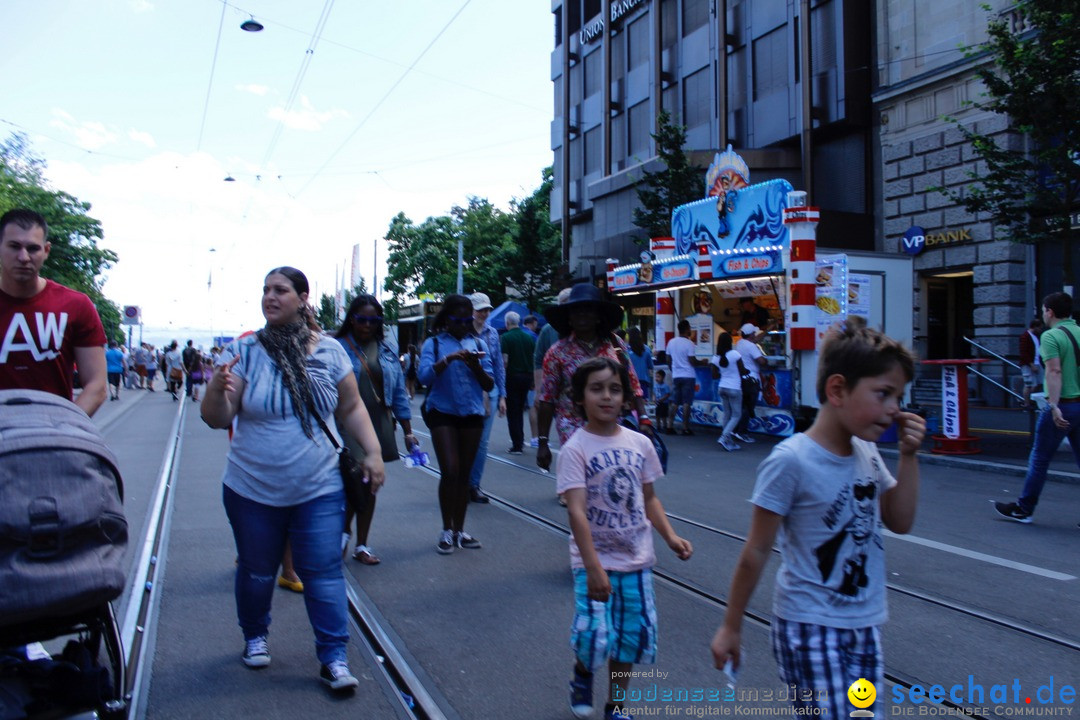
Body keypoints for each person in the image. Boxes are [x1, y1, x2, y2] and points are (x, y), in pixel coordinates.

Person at [710, 320, 923, 718]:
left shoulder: (867, 452)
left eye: (898, 396)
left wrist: (909, 457)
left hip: (864, 624)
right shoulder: (792, 460)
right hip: (809, 625)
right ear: (837, 389)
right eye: (884, 394)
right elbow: (755, 550)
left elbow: (900, 520)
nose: (895, 409)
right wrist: (731, 625)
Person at [200, 266, 385, 692]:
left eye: (280, 290)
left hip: (318, 487)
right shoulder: (245, 352)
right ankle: (255, 637)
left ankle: (334, 658)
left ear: (303, 298)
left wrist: (372, 452)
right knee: (257, 571)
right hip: (251, 488)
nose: (270, 296)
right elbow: (218, 418)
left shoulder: (331, 351)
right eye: (265, 289)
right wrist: (216, 389)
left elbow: (351, 408)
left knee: (322, 572)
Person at [559, 357, 693, 720]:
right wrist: (593, 567)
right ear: (579, 399)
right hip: (594, 561)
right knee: (592, 636)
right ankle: (583, 674)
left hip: (636, 558)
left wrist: (670, 536)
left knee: (628, 641)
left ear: (626, 398)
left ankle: (615, 706)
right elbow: (575, 512)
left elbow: (649, 498)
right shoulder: (575, 449)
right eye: (597, 389)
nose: (607, 397)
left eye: (615, 389)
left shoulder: (640, 443)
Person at [536, 283, 652, 476]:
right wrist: (542, 443)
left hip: (613, 426)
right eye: (576, 310)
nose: (582, 314)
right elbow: (547, 399)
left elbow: (632, 383)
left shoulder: (616, 345)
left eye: (588, 309)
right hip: (573, 429)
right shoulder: (557, 352)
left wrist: (644, 418)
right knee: (581, 485)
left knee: (612, 481)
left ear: (598, 316)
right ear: (569, 318)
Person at [0, 208, 107, 416]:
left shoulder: (75, 305)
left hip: (54, 437)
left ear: (46, 251)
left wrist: (67, 427)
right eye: (14, 247)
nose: (23, 257)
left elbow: (97, 385)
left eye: (33, 248)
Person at [335, 293, 415, 565]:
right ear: (351, 319)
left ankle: (362, 544)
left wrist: (408, 430)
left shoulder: (387, 349)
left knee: (370, 485)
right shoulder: (336, 347)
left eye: (373, 320)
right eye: (361, 319)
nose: (367, 325)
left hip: (379, 420)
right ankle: (343, 533)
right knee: (355, 481)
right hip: (346, 423)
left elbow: (400, 394)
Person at [418, 293, 495, 553]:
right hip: (442, 411)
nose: (464, 325)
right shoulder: (434, 344)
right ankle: (446, 529)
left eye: (467, 320)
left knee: (463, 475)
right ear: (446, 319)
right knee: (450, 470)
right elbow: (424, 377)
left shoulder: (478, 343)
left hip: (471, 413)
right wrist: (449, 359)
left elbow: (489, 384)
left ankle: (460, 531)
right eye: (458, 320)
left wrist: (475, 366)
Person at [996, 292, 1080, 524]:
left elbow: (1054, 371)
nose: (1043, 314)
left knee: (1040, 459)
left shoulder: (1051, 336)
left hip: (1063, 405)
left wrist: (1053, 405)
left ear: (1049, 312)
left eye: (1043, 310)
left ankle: (1024, 509)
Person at [467, 292, 506, 503]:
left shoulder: (492, 334)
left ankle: (474, 485)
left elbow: (498, 365)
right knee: (466, 440)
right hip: (468, 391)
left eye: (487, 309)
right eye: (480, 309)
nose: (484, 313)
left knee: (482, 442)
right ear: (471, 311)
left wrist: (502, 396)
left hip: (490, 390)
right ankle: (461, 482)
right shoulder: (463, 333)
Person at [500, 310, 536, 454]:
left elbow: (505, 361)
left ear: (507, 323)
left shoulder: (506, 338)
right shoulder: (528, 338)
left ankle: (517, 444)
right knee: (520, 408)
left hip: (512, 377)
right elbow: (534, 359)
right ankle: (520, 439)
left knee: (513, 411)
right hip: (527, 377)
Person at [664, 319, 704, 435]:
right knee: (687, 402)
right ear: (687, 329)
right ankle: (685, 427)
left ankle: (669, 425)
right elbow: (693, 361)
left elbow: (668, 359)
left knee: (675, 401)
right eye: (690, 328)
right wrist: (703, 362)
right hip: (688, 376)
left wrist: (674, 369)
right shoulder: (689, 343)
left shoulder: (671, 342)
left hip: (677, 375)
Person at [733, 323, 767, 442]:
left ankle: (736, 430)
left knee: (742, 406)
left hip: (742, 378)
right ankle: (742, 432)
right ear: (751, 334)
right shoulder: (751, 346)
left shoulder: (739, 344)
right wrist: (766, 360)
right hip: (752, 379)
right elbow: (761, 361)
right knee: (748, 406)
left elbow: (757, 340)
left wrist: (768, 329)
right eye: (754, 333)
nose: (755, 335)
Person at [710, 332, 743, 451]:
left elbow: (714, 375)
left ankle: (728, 440)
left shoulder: (715, 357)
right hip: (734, 388)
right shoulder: (735, 354)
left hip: (722, 387)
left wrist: (724, 373)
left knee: (727, 414)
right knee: (736, 415)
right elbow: (742, 370)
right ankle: (724, 437)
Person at [1019, 318, 1044, 408]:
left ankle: (1031, 399)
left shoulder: (1036, 336)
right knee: (1028, 384)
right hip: (1028, 364)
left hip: (1037, 362)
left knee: (1040, 382)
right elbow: (1023, 352)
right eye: (1040, 328)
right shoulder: (1025, 336)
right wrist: (1031, 364)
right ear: (1035, 327)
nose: (1041, 330)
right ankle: (1026, 403)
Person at [626, 327, 653, 401]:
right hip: (643, 380)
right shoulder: (646, 349)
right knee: (643, 403)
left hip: (631, 381)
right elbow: (651, 366)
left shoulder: (627, 350)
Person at [654, 369, 672, 434]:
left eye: (658, 377)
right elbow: (654, 393)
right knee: (657, 415)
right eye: (656, 376)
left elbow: (668, 394)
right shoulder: (655, 385)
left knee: (663, 415)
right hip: (658, 403)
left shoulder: (665, 386)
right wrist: (654, 399)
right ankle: (658, 426)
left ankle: (664, 426)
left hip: (664, 403)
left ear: (663, 377)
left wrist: (662, 399)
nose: (657, 378)